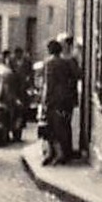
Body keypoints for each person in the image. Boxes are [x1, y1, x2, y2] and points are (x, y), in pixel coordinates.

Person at [42, 38, 79, 166]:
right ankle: (65, 152)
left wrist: (46, 102)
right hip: (66, 100)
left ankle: (57, 153)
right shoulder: (66, 62)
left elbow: (49, 84)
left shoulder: (50, 64)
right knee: (65, 125)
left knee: (53, 126)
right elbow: (75, 77)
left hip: (55, 100)